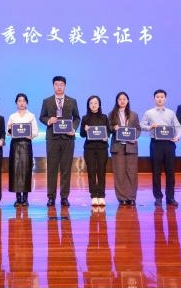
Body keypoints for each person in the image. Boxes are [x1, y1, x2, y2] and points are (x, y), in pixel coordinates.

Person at [39, 75, 81, 207]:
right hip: (52, 139)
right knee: (51, 169)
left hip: (68, 139)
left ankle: (64, 197)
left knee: (66, 169)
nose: (59, 87)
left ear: (65, 86)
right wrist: (48, 120)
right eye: (56, 84)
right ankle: (51, 197)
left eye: (61, 84)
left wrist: (73, 129)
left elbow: (77, 118)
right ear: (53, 86)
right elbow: (42, 117)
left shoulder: (72, 101)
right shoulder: (47, 101)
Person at [140, 89, 181, 208]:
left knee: (170, 172)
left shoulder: (171, 113)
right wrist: (150, 127)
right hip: (156, 144)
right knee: (156, 172)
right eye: (157, 97)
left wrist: (177, 137)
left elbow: (178, 127)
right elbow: (141, 125)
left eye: (162, 97)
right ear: (154, 99)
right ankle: (158, 197)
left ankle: (170, 197)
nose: (159, 99)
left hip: (169, 144)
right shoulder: (149, 113)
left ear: (165, 99)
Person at [108, 91, 141, 206]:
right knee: (119, 173)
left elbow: (138, 129)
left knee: (132, 172)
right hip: (118, 146)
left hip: (131, 146)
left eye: (124, 99)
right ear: (117, 101)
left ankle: (131, 197)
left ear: (128, 101)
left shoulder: (134, 114)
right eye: (120, 99)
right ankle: (121, 197)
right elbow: (108, 128)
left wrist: (134, 136)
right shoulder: (112, 114)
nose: (122, 101)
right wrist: (114, 128)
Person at [6, 93, 38, 206]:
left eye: (24, 101)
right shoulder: (12, 116)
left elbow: (35, 131)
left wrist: (31, 135)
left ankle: (25, 198)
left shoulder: (31, 116)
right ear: (16, 103)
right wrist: (10, 129)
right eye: (19, 101)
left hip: (26, 144)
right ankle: (18, 198)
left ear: (27, 103)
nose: (21, 103)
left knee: (26, 171)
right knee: (15, 171)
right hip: (15, 145)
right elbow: (7, 132)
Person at [80, 95, 111, 208]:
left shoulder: (104, 117)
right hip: (89, 149)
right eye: (91, 103)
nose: (93, 105)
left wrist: (106, 136)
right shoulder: (85, 118)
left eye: (96, 103)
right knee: (92, 172)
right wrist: (85, 130)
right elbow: (82, 134)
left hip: (102, 148)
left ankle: (101, 196)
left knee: (101, 171)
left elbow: (108, 131)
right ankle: (93, 195)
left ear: (99, 105)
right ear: (88, 105)